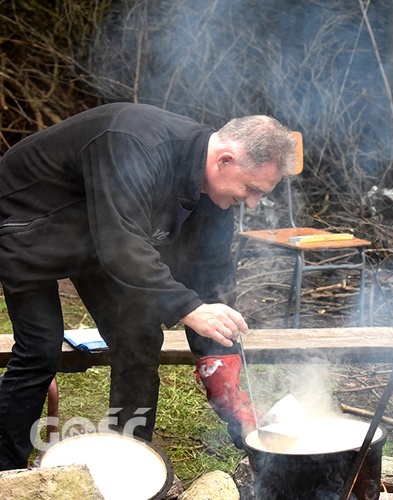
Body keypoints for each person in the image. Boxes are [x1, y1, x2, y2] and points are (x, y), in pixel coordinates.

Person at [0, 102, 299, 470]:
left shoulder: (214, 194)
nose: (252, 203)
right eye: (251, 189)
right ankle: (5, 467)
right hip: (27, 222)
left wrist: (218, 359)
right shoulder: (133, 142)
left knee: (139, 339)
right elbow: (121, 245)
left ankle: (128, 463)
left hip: (93, 240)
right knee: (40, 347)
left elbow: (210, 273)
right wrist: (188, 308)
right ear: (224, 160)